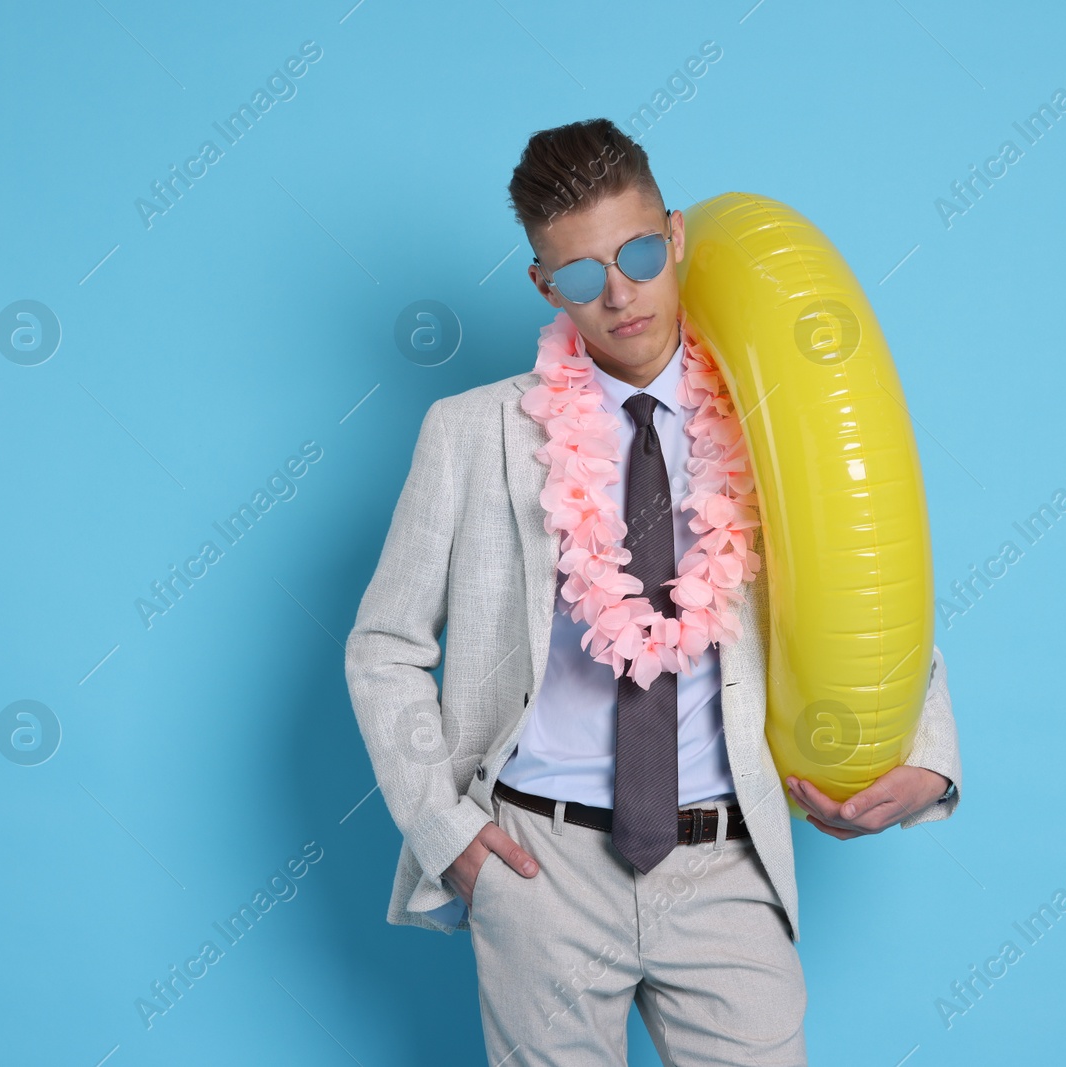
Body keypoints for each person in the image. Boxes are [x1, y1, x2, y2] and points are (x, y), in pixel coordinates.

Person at [344, 117, 962, 1067]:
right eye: (582, 275)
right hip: (539, 865)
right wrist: (445, 827)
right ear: (545, 286)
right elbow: (384, 645)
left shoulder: (767, 407)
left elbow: (864, 562)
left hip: (726, 859)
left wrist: (927, 757)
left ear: (674, 235)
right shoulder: (472, 433)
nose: (619, 293)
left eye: (636, 252)